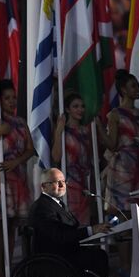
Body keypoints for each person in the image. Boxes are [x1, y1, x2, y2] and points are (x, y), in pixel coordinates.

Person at [29, 168, 114, 277]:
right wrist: (90, 230)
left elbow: (68, 231)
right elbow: (60, 235)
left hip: (65, 252)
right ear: (44, 187)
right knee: (97, 258)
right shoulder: (43, 207)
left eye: (63, 181)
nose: (61, 185)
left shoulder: (56, 204)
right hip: (53, 259)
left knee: (98, 255)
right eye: (56, 182)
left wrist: (93, 232)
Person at [96, 69, 139, 277]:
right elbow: (112, 143)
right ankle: (124, 264)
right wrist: (100, 128)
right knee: (123, 217)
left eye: (137, 85)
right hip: (122, 171)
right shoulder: (116, 114)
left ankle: (137, 263)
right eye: (133, 86)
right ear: (123, 90)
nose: (138, 89)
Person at [0, 80, 34, 277]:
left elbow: (30, 150)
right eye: (7, 98)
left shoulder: (21, 122)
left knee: (11, 227)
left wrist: (16, 162)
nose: (12, 101)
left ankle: (9, 269)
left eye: (13, 97)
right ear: (0, 100)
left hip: (17, 178)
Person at [51, 92, 94, 227]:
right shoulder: (64, 132)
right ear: (68, 109)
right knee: (71, 224)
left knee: (85, 223)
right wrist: (59, 130)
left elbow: (91, 158)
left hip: (85, 183)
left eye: (82, 106)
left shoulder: (87, 131)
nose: (80, 109)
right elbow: (56, 157)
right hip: (69, 184)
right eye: (75, 106)